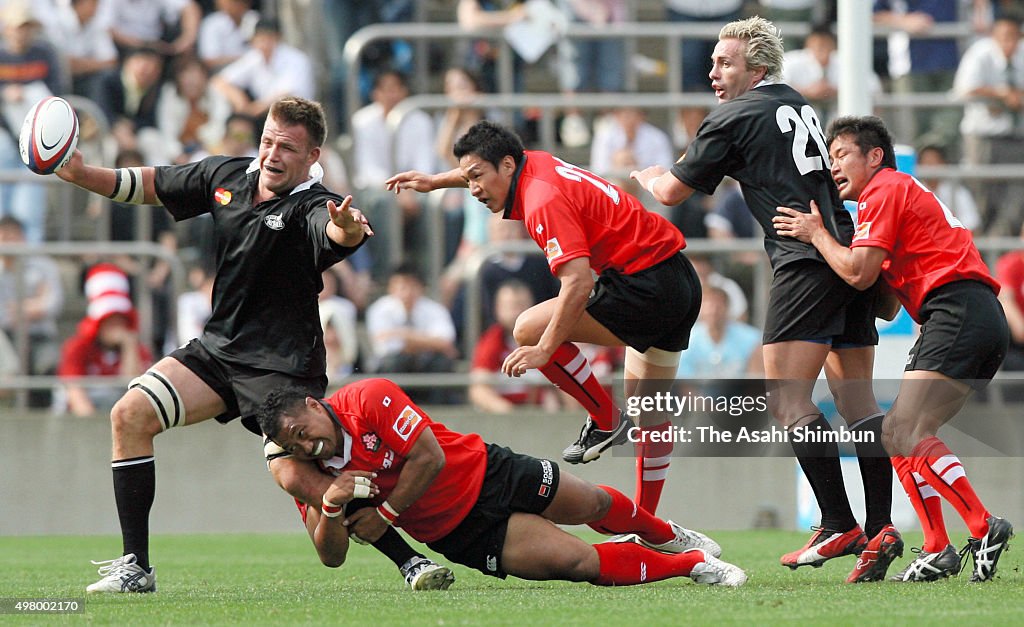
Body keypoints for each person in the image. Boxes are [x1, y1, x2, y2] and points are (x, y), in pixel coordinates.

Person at [43, 96, 448, 593]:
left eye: (289, 148)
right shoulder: (227, 177)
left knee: (301, 479)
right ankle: (136, 567)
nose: (274, 154)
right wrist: (82, 173)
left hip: (284, 367)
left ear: (313, 157)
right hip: (219, 351)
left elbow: (336, 231)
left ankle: (409, 561)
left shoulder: (313, 205)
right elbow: (148, 184)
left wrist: (344, 228)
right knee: (129, 415)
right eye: (269, 141)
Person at [630, 17, 897, 583]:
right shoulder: (797, 103)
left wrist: (650, 176)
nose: (714, 73)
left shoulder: (733, 114)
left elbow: (674, 193)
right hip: (847, 253)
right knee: (859, 405)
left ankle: (837, 521)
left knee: (787, 400)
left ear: (758, 68)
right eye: (712, 63)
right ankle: (880, 529)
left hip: (804, 261)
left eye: (725, 63)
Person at [387, 119, 701, 518]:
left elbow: (577, 282)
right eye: (469, 179)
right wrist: (436, 181)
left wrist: (544, 350)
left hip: (644, 287)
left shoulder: (540, 201)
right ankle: (647, 523)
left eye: (477, 178)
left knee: (528, 329)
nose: (475, 188)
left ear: (506, 166)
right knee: (649, 409)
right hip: (678, 277)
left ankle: (605, 420)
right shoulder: (532, 163)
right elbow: (480, 168)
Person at [774, 114, 1014, 583]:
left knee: (901, 428)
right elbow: (884, 303)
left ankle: (983, 525)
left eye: (842, 154)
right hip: (972, 315)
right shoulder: (897, 196)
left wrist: (817, 234)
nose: (834, 165)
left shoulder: (885, 189)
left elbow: (861, 275)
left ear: (875, 156)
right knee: (901, 433)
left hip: (956, 310)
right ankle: (938, 547)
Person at [256, 379, 742, 587]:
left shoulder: (368, 399)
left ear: (316, 406)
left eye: (305, 433)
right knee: (576, 563)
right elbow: (331, 556)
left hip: (487, 471)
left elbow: (429, 458)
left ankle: (664, 533)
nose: (306, 447)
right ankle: (691, 565)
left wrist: (384, 514)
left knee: (592, 503)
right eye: (293, 445)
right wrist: (334, 507)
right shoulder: (311, 477)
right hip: (459, 532)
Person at [57, 264, 154, 417]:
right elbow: (75, 393)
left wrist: (129, 346)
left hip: (122, 418)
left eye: (119, 319)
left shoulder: (138, 349)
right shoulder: (77, 347)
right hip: (81, 423)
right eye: (109, 320)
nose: (115, 326)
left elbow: (137, 391)